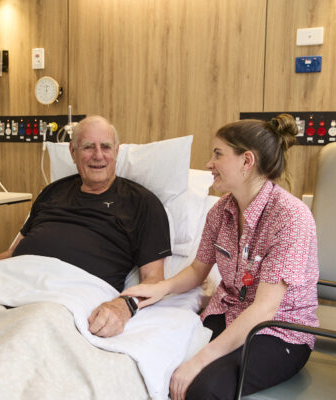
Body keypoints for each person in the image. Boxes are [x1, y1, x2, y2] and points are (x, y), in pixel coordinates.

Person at [122, 114, 318, 400]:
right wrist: (159, 288)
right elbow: (198, 270)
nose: (208, 164)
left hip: (278, 332)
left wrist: (200, 360)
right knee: (161, 364)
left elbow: (264, 310)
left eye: (218, 154)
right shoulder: (220, 212)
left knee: (204, 389)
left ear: (246, 161)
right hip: (228, 313)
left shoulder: (290, 218)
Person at [0, 115, 172, 338]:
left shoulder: (142, 203)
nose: (98, 155)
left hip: (64, 295)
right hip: (13, 280)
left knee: (25, 331)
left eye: (106, 146)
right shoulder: (52, 192)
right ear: (73, 152)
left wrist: (123, 306)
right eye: (88, 147)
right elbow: (12, 254)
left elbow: (154, 279)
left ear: (117, 152)